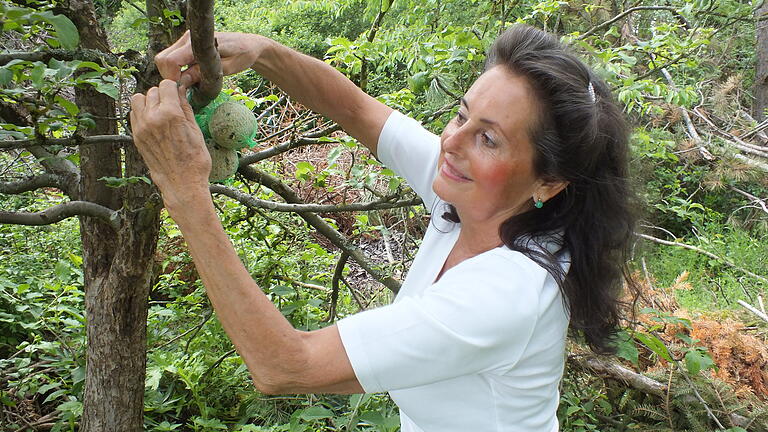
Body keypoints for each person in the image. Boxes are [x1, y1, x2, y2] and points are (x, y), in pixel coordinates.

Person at [130, 24, 634, 432]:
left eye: (489, 139)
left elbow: (285, 366)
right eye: (461, 115)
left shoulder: (504, 295)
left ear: (548, 181)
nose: (452, 142)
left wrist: (183, 190)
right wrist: (262, 52)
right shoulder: (470, 196)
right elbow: (357, 111)